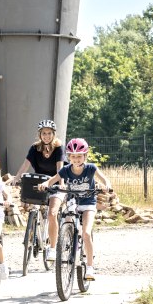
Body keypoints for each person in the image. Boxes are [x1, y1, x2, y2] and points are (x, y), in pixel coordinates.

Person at [39, 137, 112, 281]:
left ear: (85, 155)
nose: (76, 159)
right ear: (69, 157)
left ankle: (90, 268)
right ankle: (64, 242)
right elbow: (52, 179)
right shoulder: (66, 170)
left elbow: (105, 180)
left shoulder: (91, 168)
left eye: (79, 156)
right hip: (73, 202)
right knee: (66, 222)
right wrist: (45, 183)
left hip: (88, 204)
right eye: (73, 156)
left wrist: (106, 186)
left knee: (86, 233)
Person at [12, 119, 65, 261]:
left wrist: (61, 184)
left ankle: (53, 248)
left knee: (52, 214)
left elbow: (60, 169)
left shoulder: (59, 147)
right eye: (43, 133)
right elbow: (25, 165)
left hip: (55, 183)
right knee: (33, 208)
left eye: (49, 133)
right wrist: (16, 177)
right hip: (39, 183)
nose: (46, 136)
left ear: (53, 134)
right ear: (39, 135)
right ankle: (34, 233)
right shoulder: (35, 148)